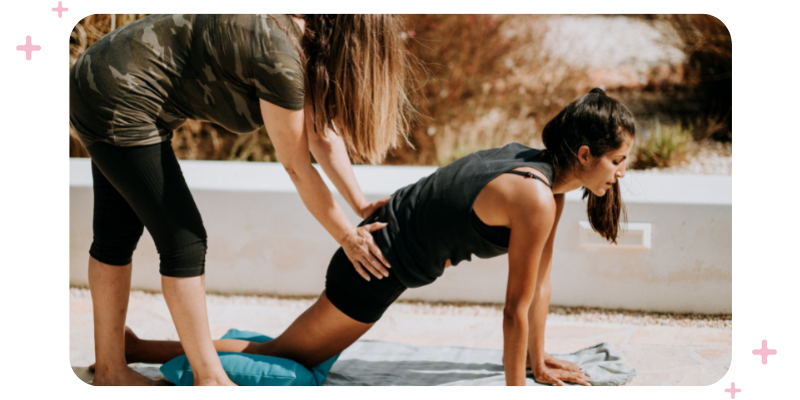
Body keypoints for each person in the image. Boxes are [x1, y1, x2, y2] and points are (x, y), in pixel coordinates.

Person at [120, 88, 636, 386]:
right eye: (617, 160)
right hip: (373, 265)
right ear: (584, 155)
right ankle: (142, 349)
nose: (621, 172)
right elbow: (513, 310)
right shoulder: (536, 197)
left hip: (383, 251)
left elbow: (539, 287)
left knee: (288, 348)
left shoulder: (543, 181)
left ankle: (140, 345)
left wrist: (537, 362)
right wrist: (516, 388)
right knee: (286, 355)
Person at [70, 14, 412, 386]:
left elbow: (321, 135)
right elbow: (298, 168)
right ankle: (210, 380)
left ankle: (111, 369)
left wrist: (360, 205)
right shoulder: (281, 57)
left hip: (104, 78)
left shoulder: (301, 43)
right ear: (355, 46)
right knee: (184, 241)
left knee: (116, 235)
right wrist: (347, 237)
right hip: (118, 93)